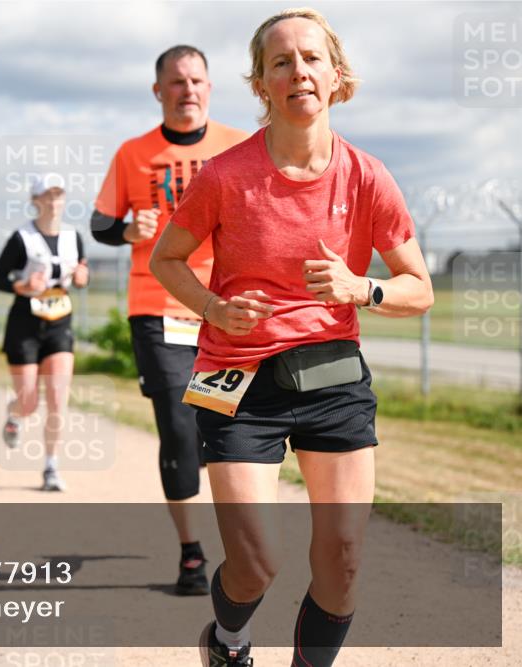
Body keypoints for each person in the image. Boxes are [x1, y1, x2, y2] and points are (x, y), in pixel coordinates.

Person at [150, 9, 433, 666]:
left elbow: (418, 287)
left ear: (336, 75)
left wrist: (364, 288)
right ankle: (226, 641)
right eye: (281, 62)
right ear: (262, 84)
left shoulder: (368, 177)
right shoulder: (224, 176)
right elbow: (168, 259)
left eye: (311, 58)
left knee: (344, 559)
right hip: (238, 378)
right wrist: (215, 306)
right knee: (255, 563)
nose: (298, 71)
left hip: (333, 375)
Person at [91, 45, 249, 595]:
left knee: (223, 426)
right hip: (157, 308)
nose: (188, 90)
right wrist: (127, 231)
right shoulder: (134, 154)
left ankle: (244, 547)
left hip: (225, 308)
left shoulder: (238, 146)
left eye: (197, 80)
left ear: (210, 87)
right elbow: (100, 224)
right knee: (180, 429)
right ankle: (192, 555)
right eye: (176, 82)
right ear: (158, 91)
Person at [0, 175, 89, 492]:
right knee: (30, 401)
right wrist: (22, 286)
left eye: (58, 195)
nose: (53, 201)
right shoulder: (22, 238)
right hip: (25, 324)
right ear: (35, 201)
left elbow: (81, 272)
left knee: (58, 400)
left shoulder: (74, 237)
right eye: (47, 195)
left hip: (60, 322)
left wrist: (85, 276)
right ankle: (15, 415)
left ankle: (51, 467)